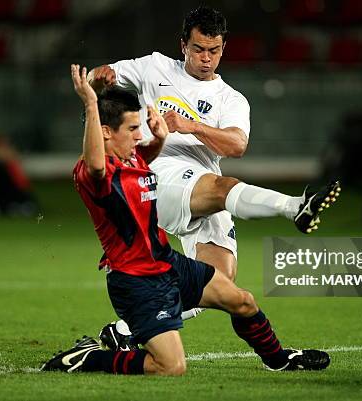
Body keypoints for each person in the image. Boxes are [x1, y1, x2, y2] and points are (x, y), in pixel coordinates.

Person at [40, 65, 331, 375]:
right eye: (132, 129)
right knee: (171, 366)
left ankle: (279, 360)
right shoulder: (92, 174)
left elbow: (145, 153)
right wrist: (90, 103)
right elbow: (97, 164)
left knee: (242, 301)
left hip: (168, 263)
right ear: (106, 132)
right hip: (137, 280)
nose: (140, 135)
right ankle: (87, 359)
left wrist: (160, 137)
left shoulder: (131, 159)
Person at [89, 6, 340, 344]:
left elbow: (237, 144)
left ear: (223, 48)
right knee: (223, 188)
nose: (206, 58)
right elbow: (98, 77)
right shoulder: (154, 67)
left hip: (201, 181)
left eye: (214, 50)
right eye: (198, 49)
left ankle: (125, 332)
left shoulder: (231, 99)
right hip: (154, 171)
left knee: (218, 282)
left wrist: (191, 125)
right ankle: (296, 207)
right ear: (183, 46)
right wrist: (97, 77)